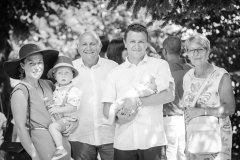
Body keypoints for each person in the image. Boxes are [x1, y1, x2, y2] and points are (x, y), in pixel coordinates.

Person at [102, 23, 175, 160]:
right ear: (125, 43)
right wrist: (118, 118)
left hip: (153, 143)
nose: (137, 45)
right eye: (132, 41)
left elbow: (169, 95)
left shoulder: (160, 65)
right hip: (123, 143)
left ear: (147, 43)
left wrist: (136, 101)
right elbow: (106, 108)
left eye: (141, 41)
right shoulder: (114, 73)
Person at [3, 43, 72, 160]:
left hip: (62, 145)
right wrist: (34, 155)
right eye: (31, 63)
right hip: (40, 148)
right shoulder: (20, 91)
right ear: (22, 65)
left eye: (40, 62)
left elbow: (63, 108)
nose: (37, 67)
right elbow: (20, 128)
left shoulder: (49, 84)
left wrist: (70, 126)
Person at [182, 34, 235, 160]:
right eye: (191, 50)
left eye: (200, 49)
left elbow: (230, 108)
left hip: (216, 140)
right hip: (193, 137)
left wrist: (202, 111)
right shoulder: (187, 77)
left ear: (208, 51)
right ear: (187, 54)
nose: (196, 53)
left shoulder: (221, 75)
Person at [68, 31, 118, 160]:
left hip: (110, 134)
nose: (88, 48)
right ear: (78, 47)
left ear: (100, 46)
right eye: (84, 44)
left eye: (93, 44)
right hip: (80, 135)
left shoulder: (113, 68)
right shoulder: (69, 70)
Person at [46, 55, 82, 160]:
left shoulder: (73, 90)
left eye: (67, 73)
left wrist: (57, 109)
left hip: (68, 120)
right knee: (62, 137)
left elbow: (73, 107)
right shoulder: (56, 88)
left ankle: (60, 149)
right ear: (54, 75)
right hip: (60, 119)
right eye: (59, 73)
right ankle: (68, 155)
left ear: (72, 75)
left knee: (53, 127)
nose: (63, 76)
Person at [162, 36, 192, 160]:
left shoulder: (162, 70)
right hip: (188, 119)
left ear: (164, 51)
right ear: (181, 50)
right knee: (184, 154)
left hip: (169, 119)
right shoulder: (191, 70)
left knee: (170, 154)